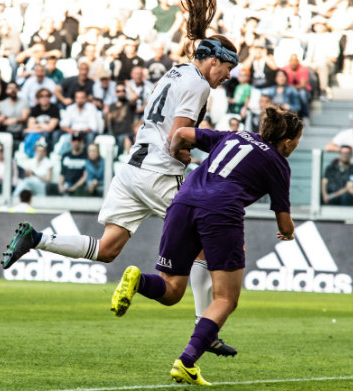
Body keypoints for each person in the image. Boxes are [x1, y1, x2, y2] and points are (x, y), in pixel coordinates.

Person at [2, 1, 240, 356]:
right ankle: (204, 330)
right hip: (159, 174)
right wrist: (190, 153)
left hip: (131, 170)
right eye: (228, 67)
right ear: (214, 61)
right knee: (207, 243)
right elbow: (178, 136)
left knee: (107, 248)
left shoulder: (175, 72)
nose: (228, 75)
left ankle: (36, 239)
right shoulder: (199, 85)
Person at [110, 105, 302, 386]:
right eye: (297, 141)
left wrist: (178, 152)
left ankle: (138, 281)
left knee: (172, 289)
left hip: (182, 203)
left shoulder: (234, 136)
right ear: (287, 141)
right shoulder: (278, 163)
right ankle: (186, 362)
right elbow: (284, 223)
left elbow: (183, 133)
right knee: (226, 298)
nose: (296, 146)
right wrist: (290, 233)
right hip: (221, 212)